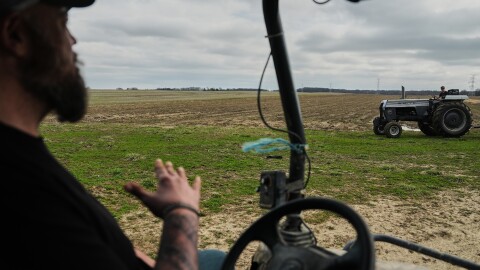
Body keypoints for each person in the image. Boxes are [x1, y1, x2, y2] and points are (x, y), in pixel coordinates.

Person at [0, 1, 224, 269]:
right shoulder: (21, 190)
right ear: (16, 35)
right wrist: (181, 211)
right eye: (62, 22)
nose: (72, 41)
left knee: (215, 259)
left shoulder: (21, 157)